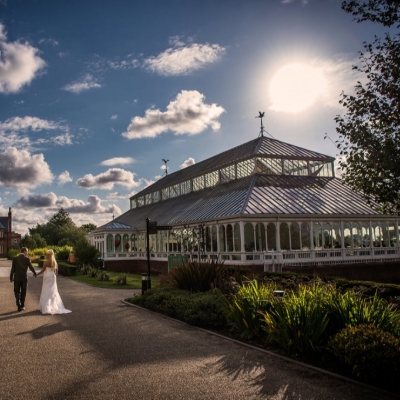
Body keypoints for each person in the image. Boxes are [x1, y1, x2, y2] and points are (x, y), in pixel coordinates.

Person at [36, 249, 71, 315]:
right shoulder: (54, 262)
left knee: (46, 291)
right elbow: (56, 272)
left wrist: (37, 274)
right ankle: (54, 306)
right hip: (52, 277)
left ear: (48, 255)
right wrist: (53, 275)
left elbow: (42, 270)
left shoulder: (45, 262)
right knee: (53, 291)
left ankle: (45, 307)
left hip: (47, 277)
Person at [10, 247, 37, 312]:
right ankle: (22, 305)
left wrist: (11, 277)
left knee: (16, 291)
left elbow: (12, 269)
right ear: (24, 251)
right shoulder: (27, 259)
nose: (27, 253)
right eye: (27, 251)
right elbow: (31, 267)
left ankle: (18, 302)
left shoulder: (15, 259)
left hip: (16, 278)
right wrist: (35, 273)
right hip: (24, 278)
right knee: (23, 292)